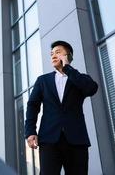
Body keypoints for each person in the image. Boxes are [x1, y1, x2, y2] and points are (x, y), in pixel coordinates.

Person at [24, 40, 98, 175]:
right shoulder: (43, 80)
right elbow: (32, 106)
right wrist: (30, 131)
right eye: (51, 53)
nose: (53, 56)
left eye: (58, 52)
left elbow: (91, 89)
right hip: (49, 140)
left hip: (77, 140)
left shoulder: (79, 79)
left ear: (68, 56)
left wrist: (68, 68)